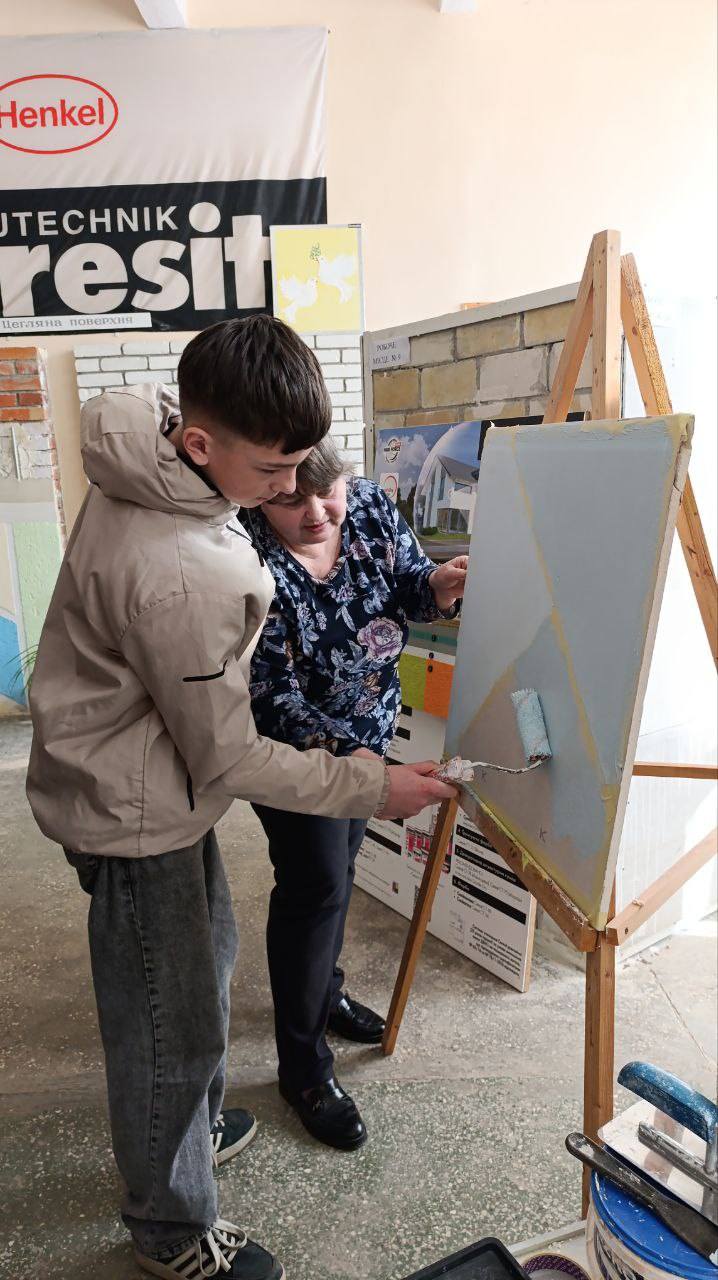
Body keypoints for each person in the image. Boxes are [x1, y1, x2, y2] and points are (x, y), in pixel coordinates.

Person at [25, 317, 457, 1280]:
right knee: (168, 1024)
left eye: (306, 465)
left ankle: (182, 1130)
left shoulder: (157, 455)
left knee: (202, 967)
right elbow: (228, 758)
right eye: (274, 471)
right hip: (132, 810)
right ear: (198, 443)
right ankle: (170, 1227)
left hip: (145, 782)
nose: (296, 490)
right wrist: (370, 785)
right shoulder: (187, 573)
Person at [246, 437, 467, 1152]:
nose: (316, 512)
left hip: (371, 728)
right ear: (262, 493)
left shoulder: (369, 504)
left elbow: (406, 584)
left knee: (338, 871)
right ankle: (303, 1067)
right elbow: (265, 694)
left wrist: (437, 586)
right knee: (313, 884)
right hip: (297, 757)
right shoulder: (241, 550)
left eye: (329, 492)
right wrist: (357, 767)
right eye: (291, 499)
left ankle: (325, 990)